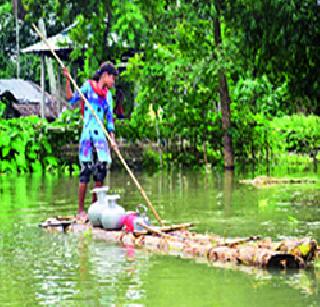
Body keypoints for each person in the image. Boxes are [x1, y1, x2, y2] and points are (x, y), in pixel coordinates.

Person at [63, 62, 118, 221]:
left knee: (100, 170)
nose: (113, 81)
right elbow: (70, 99)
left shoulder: (108, 95)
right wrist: (68, 80)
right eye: (112, 77)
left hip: (101, 137)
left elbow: (109, 121)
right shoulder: (88, 87)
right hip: (88, 135)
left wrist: (112, 140)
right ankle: (80, 211)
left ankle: (94, 209)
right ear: (105, 75)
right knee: (86, 171)